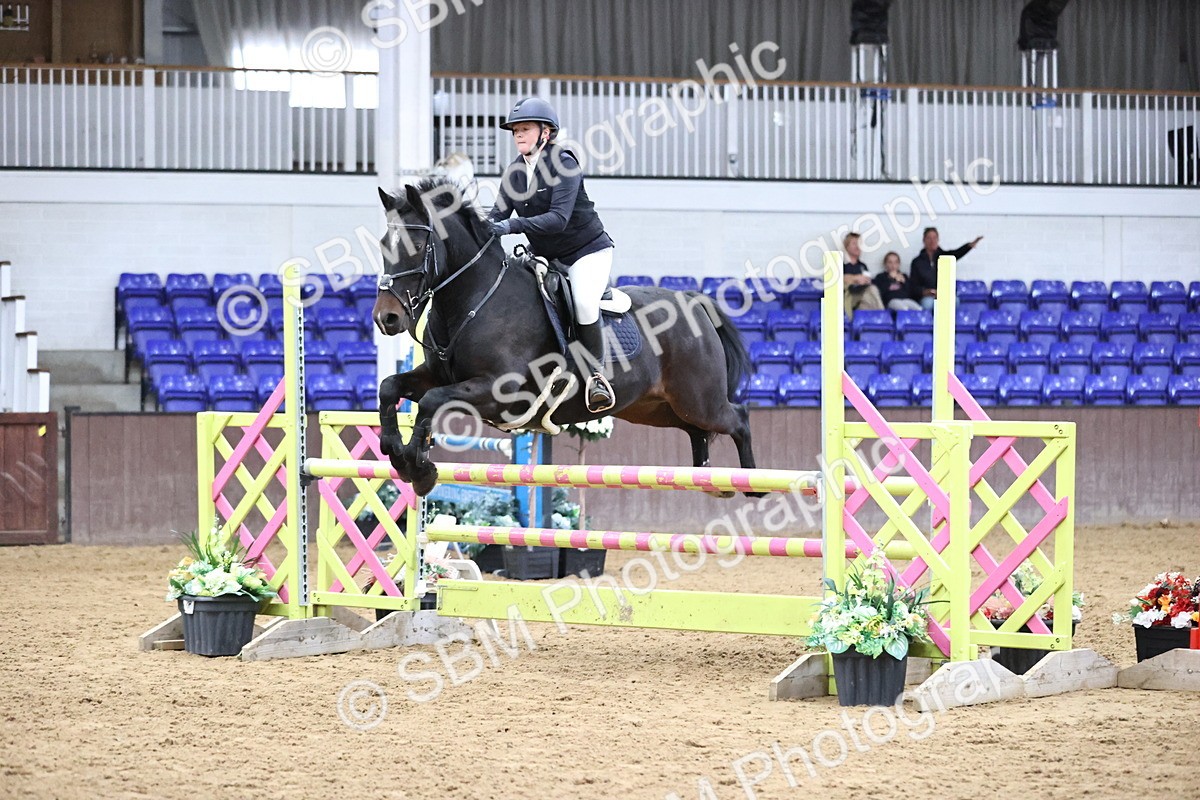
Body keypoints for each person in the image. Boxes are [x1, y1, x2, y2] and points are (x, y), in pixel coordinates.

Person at [486, 97, 616, 413]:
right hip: (545, 254)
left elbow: (558, 219)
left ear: (546, 133)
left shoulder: (564, 164)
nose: (518, 134)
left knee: (584, 303)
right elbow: (497, 215)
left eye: (525, 128)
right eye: (515, 130)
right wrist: (474, 227)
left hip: (586, 252)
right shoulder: (515, 172)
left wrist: (512, 226)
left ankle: (596, 377)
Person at [909, 227, 983, 310]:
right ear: (924, 240)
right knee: (928, 304)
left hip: (943, 294)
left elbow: (956, 253)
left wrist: (969, 246)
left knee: (954, 301)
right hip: (927, 296)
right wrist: (925, 292)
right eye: (929, 238)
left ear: (938, 240)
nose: (932, 241)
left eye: (935, 238)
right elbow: (913, 285)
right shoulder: (917, 262)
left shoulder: (944, 258)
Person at [841, 232, 884, 319]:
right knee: (872, 290)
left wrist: (865, 281)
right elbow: (837, 279)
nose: (857, 246)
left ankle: (878, 323)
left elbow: (868, 281)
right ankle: (883, 317)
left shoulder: (862, 266)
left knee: (870, 299)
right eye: (854, 243)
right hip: (848, 297)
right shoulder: (841, 264)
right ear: (846, 246)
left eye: (859, 244)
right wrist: (856, 278)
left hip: (862, 299)